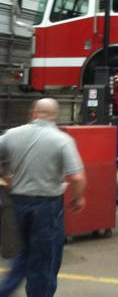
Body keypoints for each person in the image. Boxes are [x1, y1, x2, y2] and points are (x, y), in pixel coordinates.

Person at [0, 98, 86, 297]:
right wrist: (78, 198)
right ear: (54, 115)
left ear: (33, 113)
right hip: (47, 208)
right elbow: (78, 177)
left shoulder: (12, 135)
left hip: (18, 204)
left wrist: (5, 175)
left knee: (23, 253)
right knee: (45, 260)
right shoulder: (61, 139)